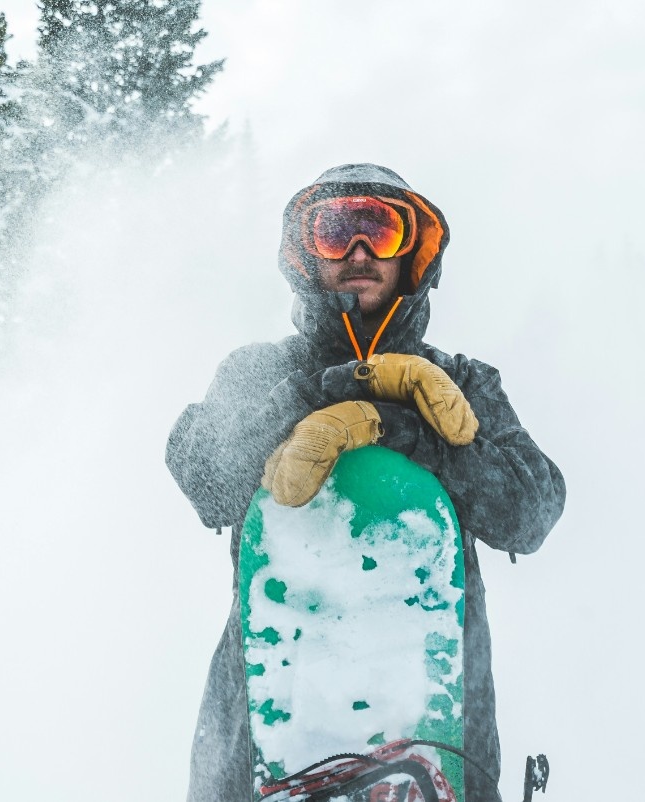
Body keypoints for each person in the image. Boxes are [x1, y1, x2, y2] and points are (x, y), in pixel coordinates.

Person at [166, 163, 566, 801]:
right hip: (261, 724)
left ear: (413, 253)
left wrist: (409, 434)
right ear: (306, 255)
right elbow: (204, 476)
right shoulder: (259, 371)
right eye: (335, 231)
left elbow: (531, 510)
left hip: (443, 728)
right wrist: (310, 396)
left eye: (380, 230)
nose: (358, 251)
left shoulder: (465, 383)